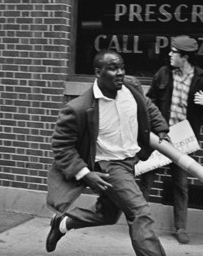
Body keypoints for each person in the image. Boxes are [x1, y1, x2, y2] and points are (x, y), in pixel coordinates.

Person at [45, 49, 170, 256]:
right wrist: (85, 174)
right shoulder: (79, 108)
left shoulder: (131, 87)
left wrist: (162, 128)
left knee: (107, 214)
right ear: (98, 72)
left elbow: (147, 107)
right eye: (113, 68)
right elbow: (62, 146)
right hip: (109, 166)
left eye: (121, 67)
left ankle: (63, 223)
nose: (120, 72)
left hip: (131, 161)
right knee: (140, 212)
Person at [139, 35, 203, 244]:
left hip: (183, 139)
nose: (170, 55)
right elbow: (150, 101)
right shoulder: (163, 74)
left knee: (180, 185)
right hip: (161, 136)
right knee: (146, 180)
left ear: (185, 57)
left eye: (174, 52)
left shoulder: (200, 80)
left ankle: (181, 228)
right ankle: (139, 223)